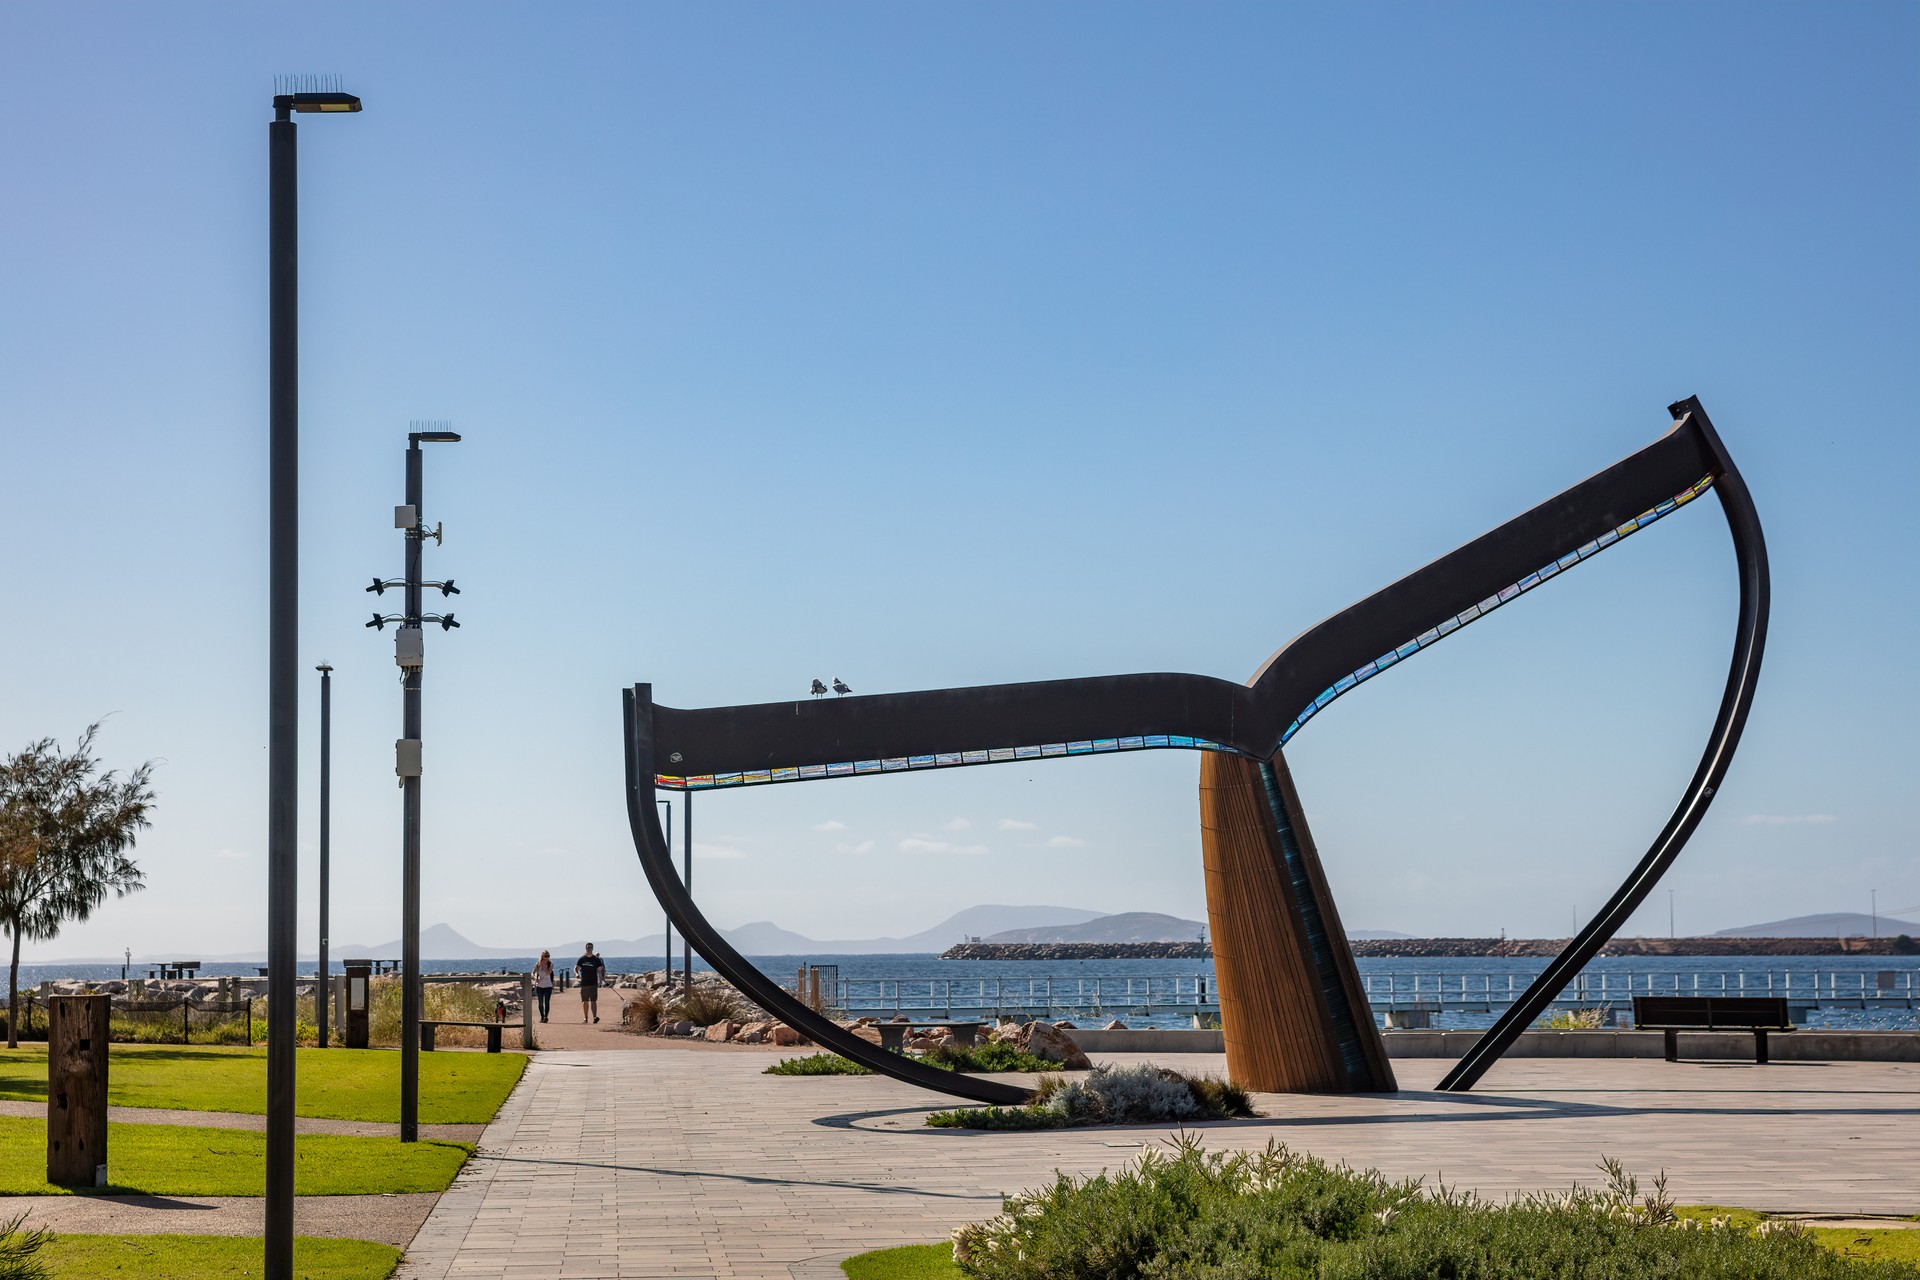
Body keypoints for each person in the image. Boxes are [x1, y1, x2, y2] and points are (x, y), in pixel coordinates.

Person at [575, 943, 607, 1023]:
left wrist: (602, 976)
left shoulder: (596, 959)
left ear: (592, 948)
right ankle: (586, 1018)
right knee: (585, 1001)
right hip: (584, 983)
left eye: (590, 947)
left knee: (593, 1001)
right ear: (585, 948)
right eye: (587, 947)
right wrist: (576, 974)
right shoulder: (582, 959)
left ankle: (595, 1017)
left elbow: (600, 969)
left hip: (593, 982)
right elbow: (576, 968)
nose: (589, 948)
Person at [531, 950, 555, 1023]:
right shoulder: (537, 964)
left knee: (547, 1002)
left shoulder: (550, 964)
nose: (547, 957)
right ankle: (542, 1016)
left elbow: (548, 973)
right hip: (539, 986)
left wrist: (544, 966)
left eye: (548, 956)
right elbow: (532, 973)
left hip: (548, 986)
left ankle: (546, 1017)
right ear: (542, 956)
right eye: (545, 956)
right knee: (540, 1002)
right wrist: (535, 978)